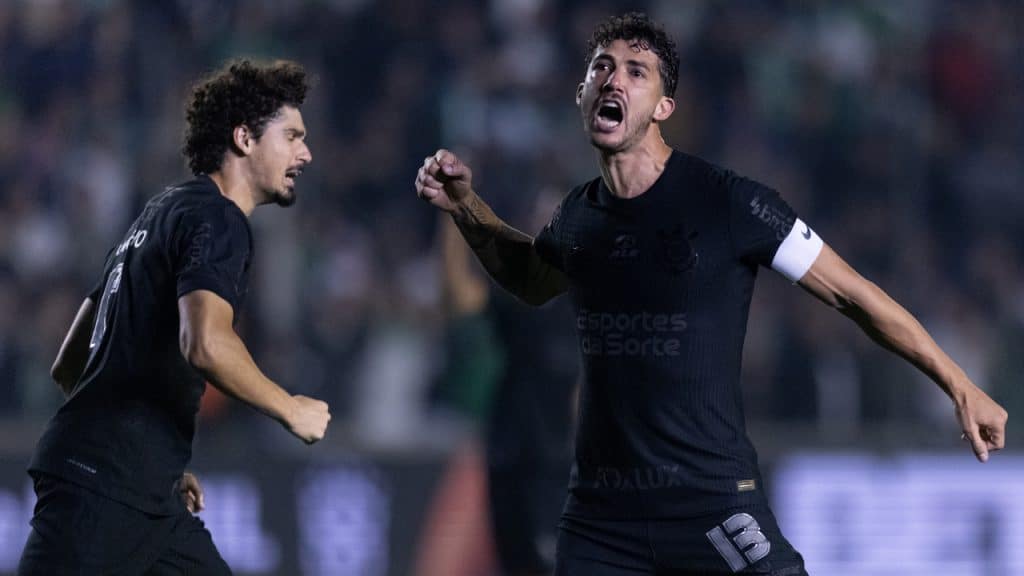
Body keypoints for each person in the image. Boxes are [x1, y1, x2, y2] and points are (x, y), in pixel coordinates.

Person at [415, 12, 1008, 576]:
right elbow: (530, 281)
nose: (612, 78)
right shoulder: (577, 218)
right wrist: (467, 207)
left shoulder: (729, 203)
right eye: (600, 67)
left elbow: (854, 295)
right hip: (601, 520)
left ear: (663, 107)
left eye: (634, 71)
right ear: (580, 95)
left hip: (710, 504)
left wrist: (959, 382)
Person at [18, 59, 331, 575]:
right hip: (102, 487)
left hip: (144, 492)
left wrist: (153, 455)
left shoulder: (158, 213)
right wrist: (288, 407)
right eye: (293, 135)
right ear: (244, 139)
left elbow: (69, 364)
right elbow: (204, 342)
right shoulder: (220, 220)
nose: (306, 153)